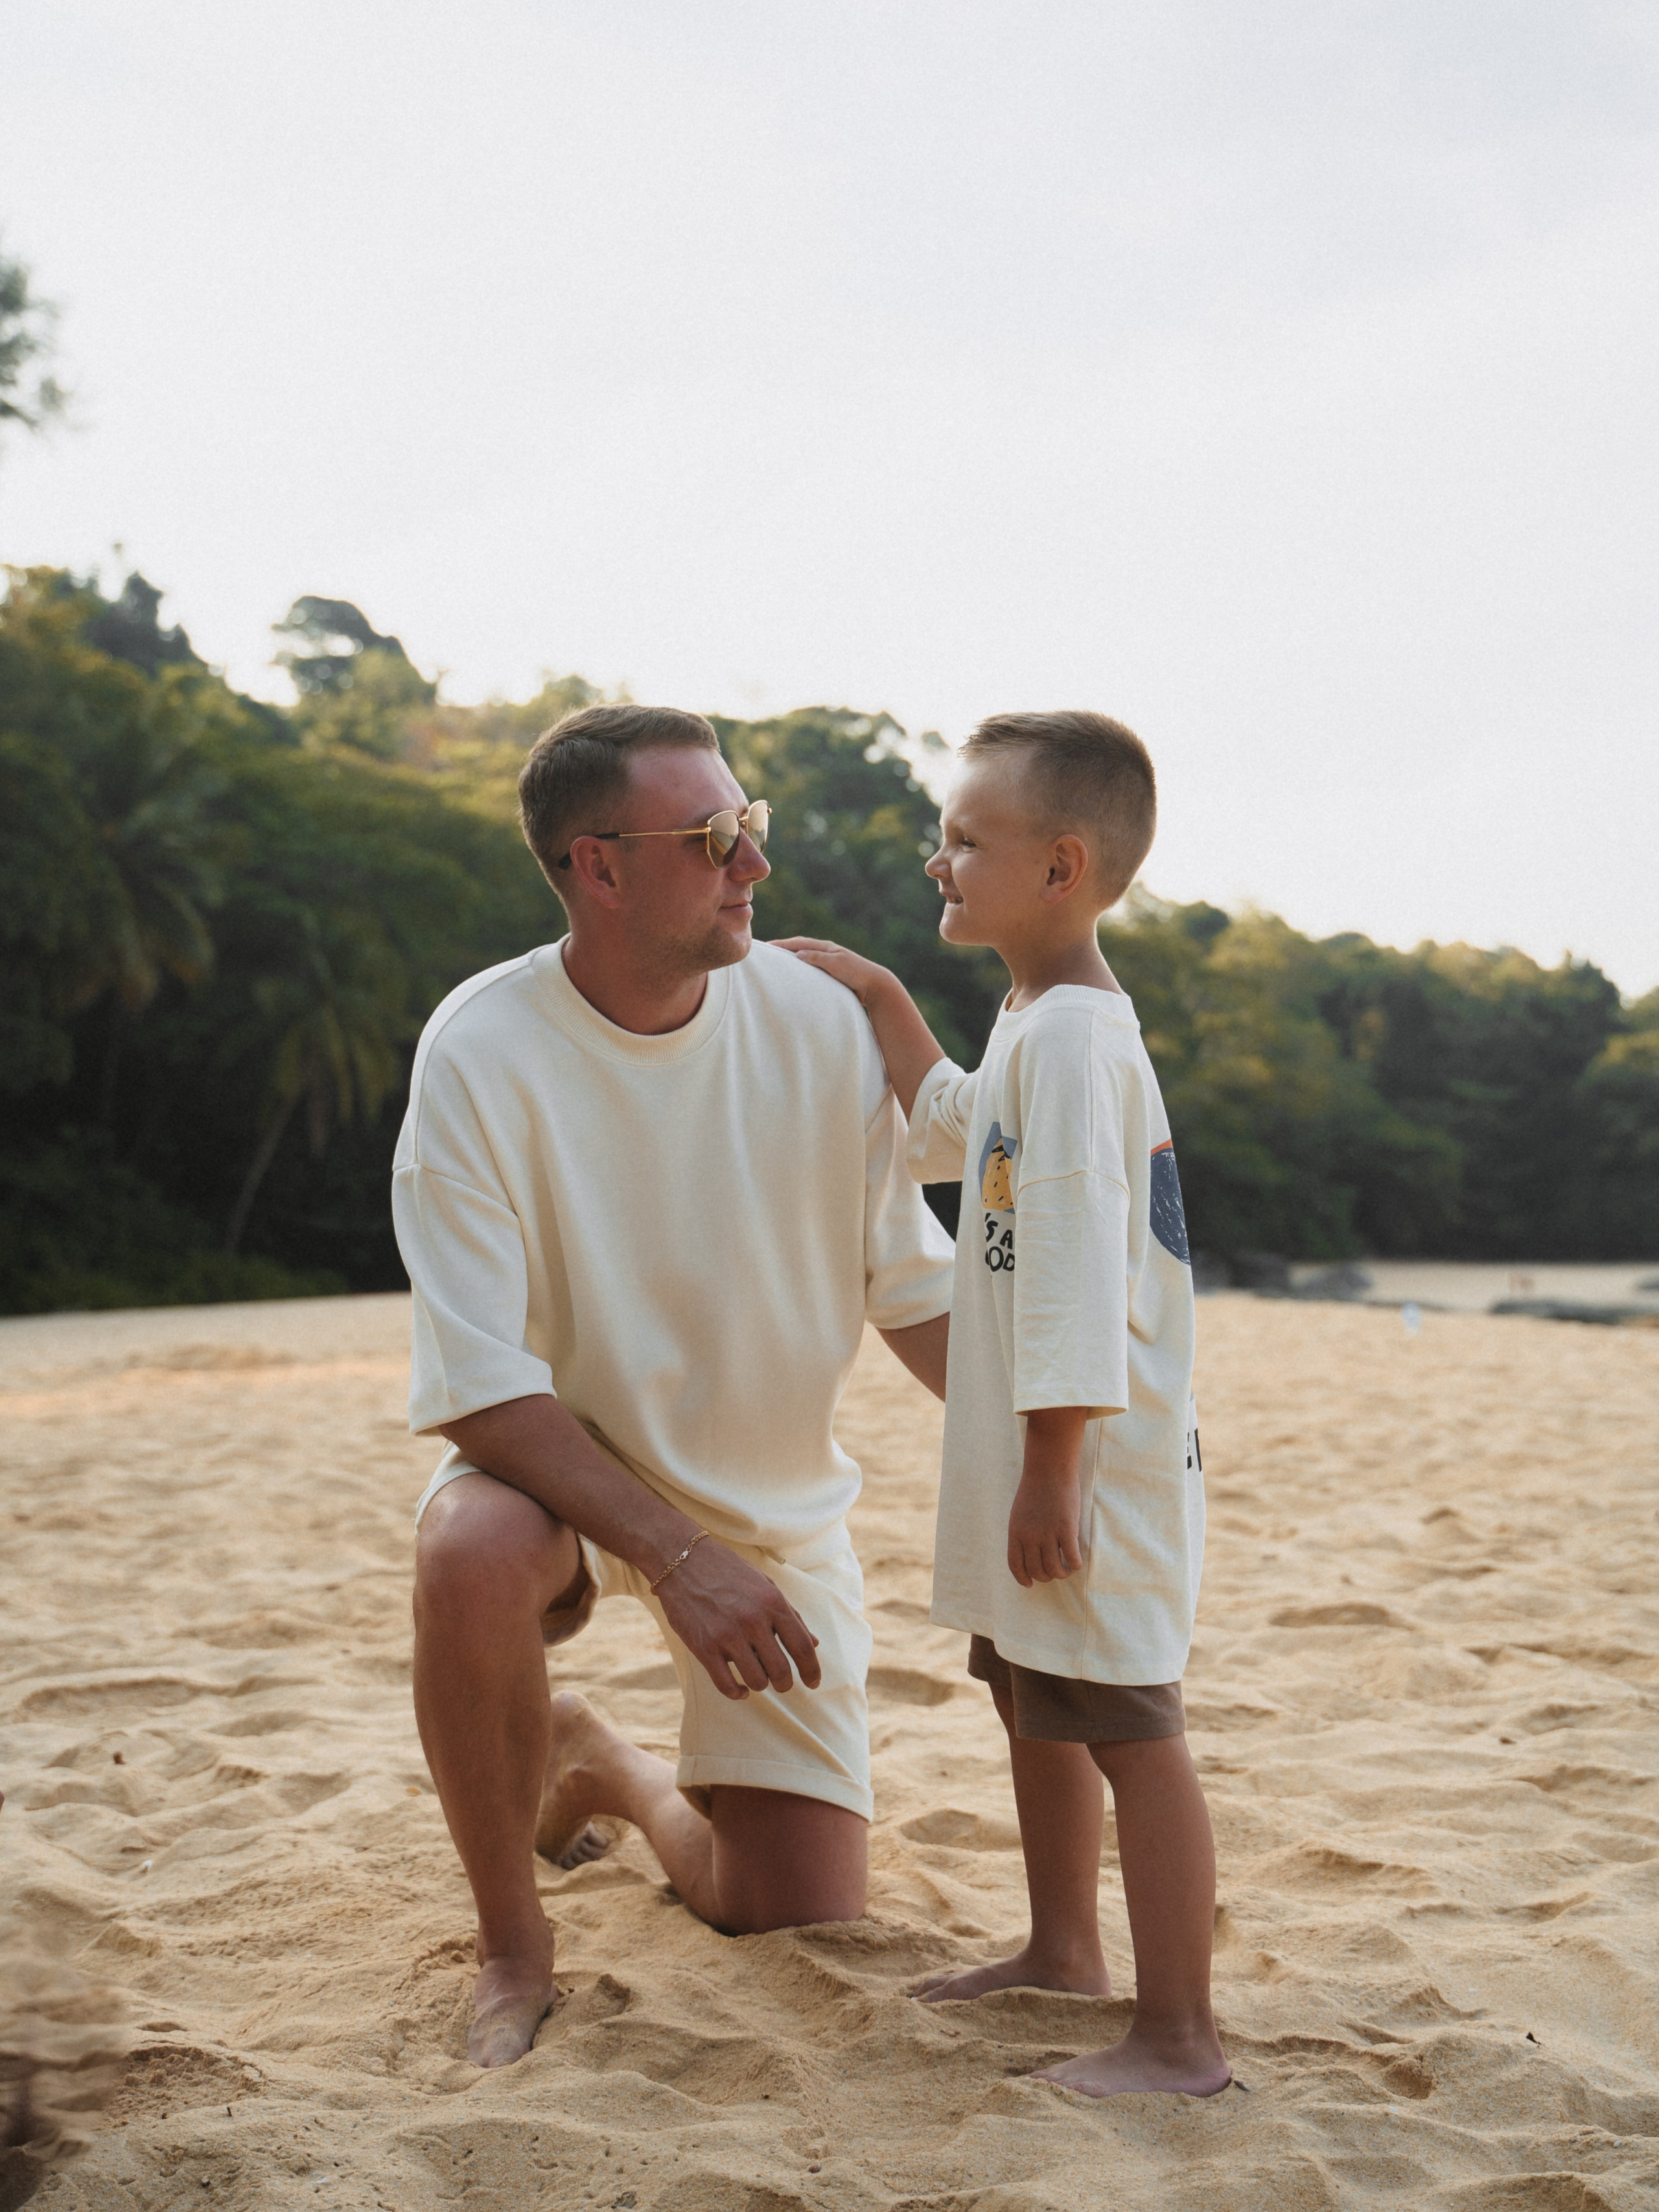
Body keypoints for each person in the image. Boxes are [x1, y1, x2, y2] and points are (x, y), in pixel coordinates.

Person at [394, 704, 953, 2069]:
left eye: (748, 828)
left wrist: (1059, 1445)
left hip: (768, 1510)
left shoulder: (821, 1025)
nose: (752, 866)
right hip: (564, 1482)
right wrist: (670, 1552)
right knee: (467, 1545)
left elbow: (916, 1290)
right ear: (598, 867)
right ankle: (514, 1951)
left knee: (791, 1911)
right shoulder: (478, 1050)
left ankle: (606, 1769)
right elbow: (476, 1386)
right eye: (714, 839)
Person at [780, 710, 1228, 2099]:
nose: (939, 861)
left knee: (1127, 1728)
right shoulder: (1034, 1023)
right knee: (1035, 1698)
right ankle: (1060, 1947)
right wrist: (883, 1005)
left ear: (1063, 866)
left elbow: (1080, 1271)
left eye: (967, 840)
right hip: (1041, 1452)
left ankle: (1179, 2039)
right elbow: (958, 1130)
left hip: (1091, 1461)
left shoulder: (1079, 1046)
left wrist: (1053, 1467)